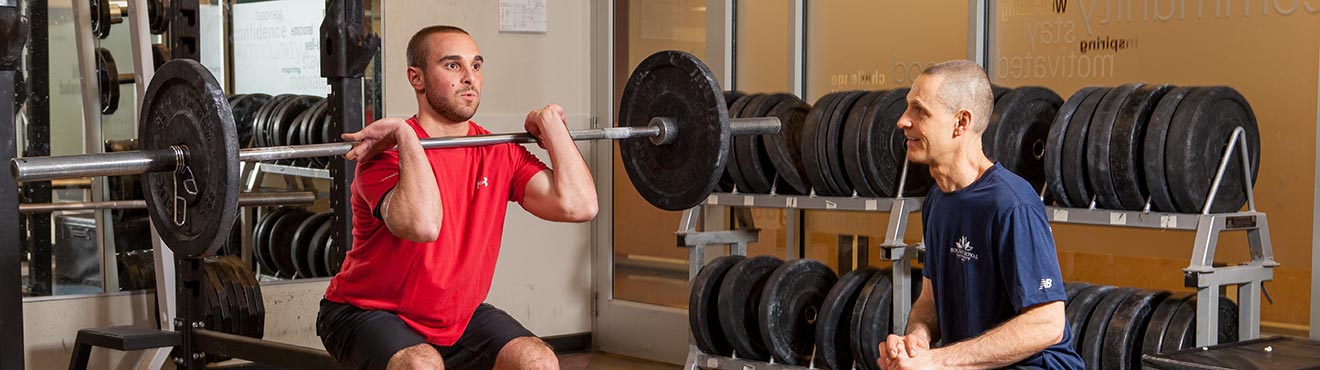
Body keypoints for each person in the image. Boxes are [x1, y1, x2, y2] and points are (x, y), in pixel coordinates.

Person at [315, 25, 598, 370]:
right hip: (365, 310)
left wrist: (553, 126)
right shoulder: (385, 156)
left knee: (537, 361)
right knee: (420, 365)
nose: (469, 78)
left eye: (476, 66)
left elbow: (580, 205)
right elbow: (422, 226)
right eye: (452, 66)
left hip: (453, 318)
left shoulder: (498, 151)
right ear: (415, 78)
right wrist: (405, 135)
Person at [880, 61, 1083, 370]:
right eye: (908, 107)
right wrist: (916, 343)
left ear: (961, 122)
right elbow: (930, 300)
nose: (903, 121)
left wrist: (937, 361)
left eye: (919, 110)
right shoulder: (938, 198)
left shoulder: (1011, 203)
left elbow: (1047, 323)